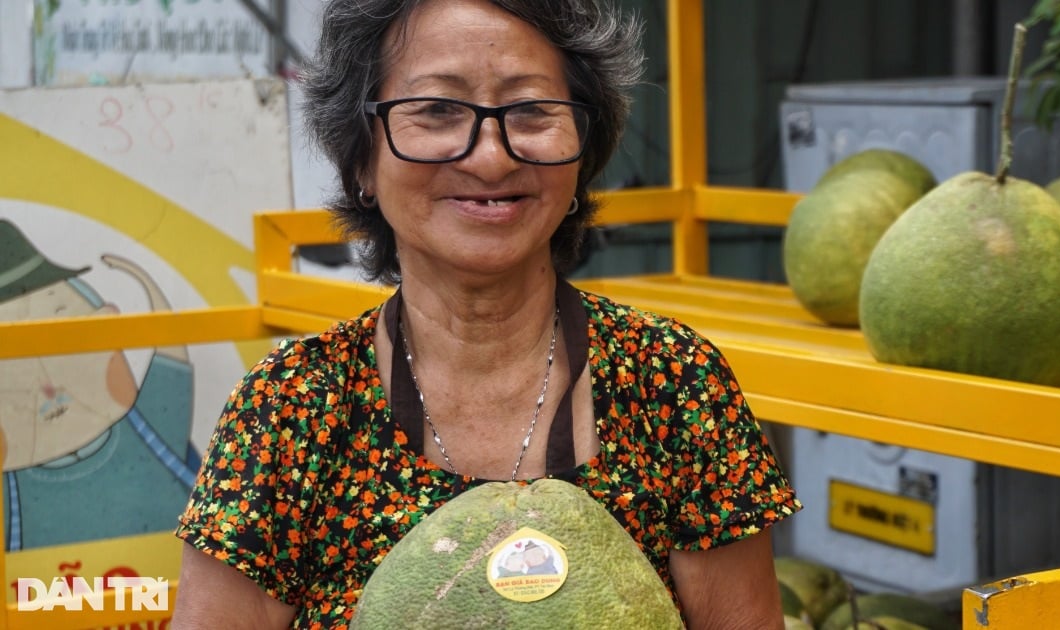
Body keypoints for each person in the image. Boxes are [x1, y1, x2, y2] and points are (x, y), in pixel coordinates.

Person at [171, 0, 799, 628]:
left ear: (583, 150)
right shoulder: (290, 406)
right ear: (362, 158)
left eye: (531, 111)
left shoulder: (675, 381)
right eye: (438, 110)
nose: (491, 157)